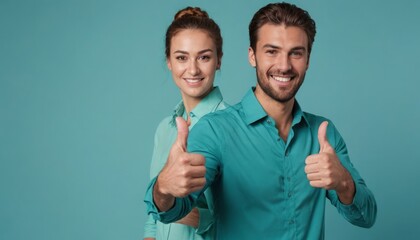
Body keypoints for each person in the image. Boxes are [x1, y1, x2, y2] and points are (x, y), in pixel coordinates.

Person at [145, 2, 377, 239]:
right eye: (272, 51)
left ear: (307, 59)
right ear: (252, 56)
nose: (284, 66)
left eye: (296, 52)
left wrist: (344, 183)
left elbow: (366, 216)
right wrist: (163, 187)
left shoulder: (323, 134)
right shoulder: (215, 130)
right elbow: (170, 211)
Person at [143, 6, 228, 240]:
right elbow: (152, 220)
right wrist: (161, 200)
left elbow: (246, 216)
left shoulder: (233, 127)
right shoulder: (165, 129)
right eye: (181, 57)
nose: (192, 69)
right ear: (169, 61)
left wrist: (179, 212)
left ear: (218, 60)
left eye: (204, 57)